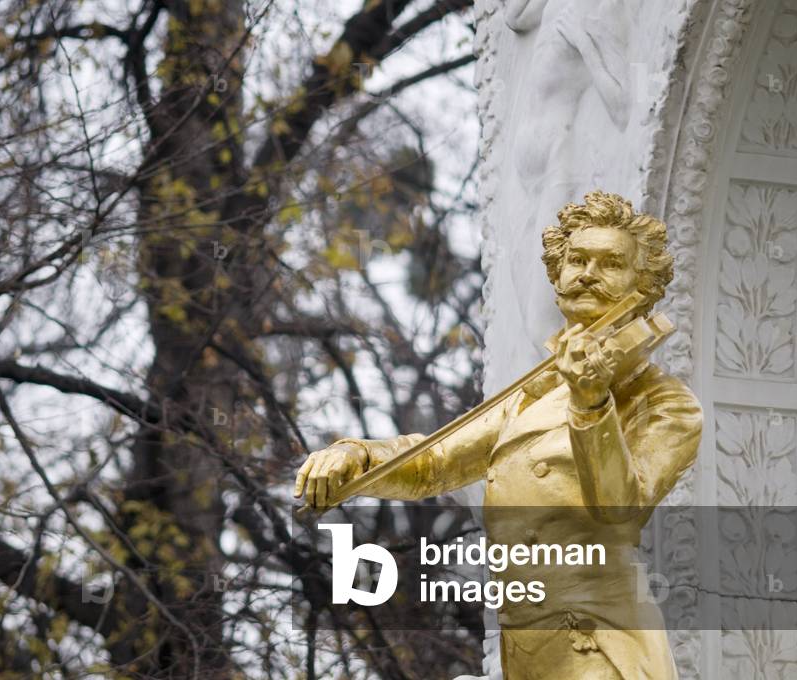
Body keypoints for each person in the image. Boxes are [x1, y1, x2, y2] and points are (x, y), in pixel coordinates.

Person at [295, 191, 703, 679]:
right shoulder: (533, 394)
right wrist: (356, 454)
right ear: (558, 274)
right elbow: (435, 462)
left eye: (611, 263)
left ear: (644, 285)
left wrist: (592, 404)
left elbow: (620, 510)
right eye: (577, 260)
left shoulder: (664, 402)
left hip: (598, 641)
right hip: (527, 646)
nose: (587, 274)